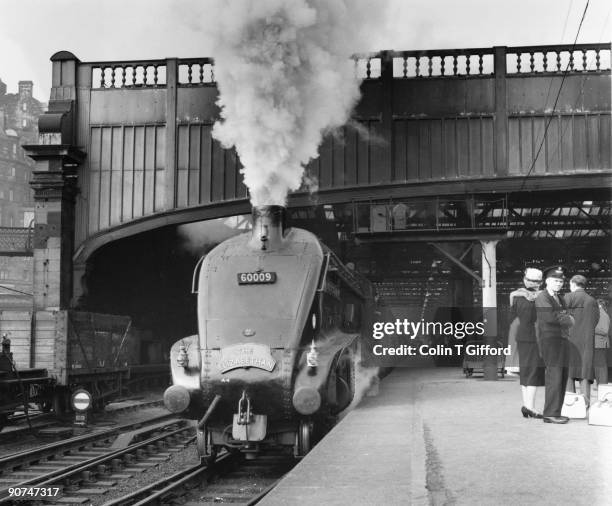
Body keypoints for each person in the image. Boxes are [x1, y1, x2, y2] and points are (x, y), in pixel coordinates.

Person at [535, 266, 574, 424]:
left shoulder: (560, 298)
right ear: (547, 281)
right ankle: (550, 413)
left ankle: (556, 412)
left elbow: (565, 315)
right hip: (551, 342)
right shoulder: (542, 297)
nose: (559, 283)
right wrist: (566, 318)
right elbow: (550, 318)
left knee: (562, 376)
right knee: (554, 376)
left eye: (561, 281)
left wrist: (564, 317)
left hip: (562, 340)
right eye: (555, 281)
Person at [510, 268, 545, 418]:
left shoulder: (515, 296)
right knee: (533, 372)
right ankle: (530, 407)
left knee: (525, 371)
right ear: (540, 282)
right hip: (536, 338)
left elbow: (512, 318)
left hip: (521, 337)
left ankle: (526, 405)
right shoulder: (543, 297)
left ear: (525, 279)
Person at [564, 275, 599, 406]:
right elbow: (595, 320)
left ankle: (570, 404)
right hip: (586, 342)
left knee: (569, 372)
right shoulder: (592, 300)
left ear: (573, 284)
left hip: (569, 340)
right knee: (585, 372)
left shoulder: (567, 298)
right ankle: (585, 404)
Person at [593, 299, 610, 385]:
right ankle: (600, 384)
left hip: (600, 344)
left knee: (601, 366)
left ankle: (602, 385)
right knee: (598, 366)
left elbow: (604, 330)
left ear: (599, 305)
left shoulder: (602, 315)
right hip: (598, 344)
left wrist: (591, 328)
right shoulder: (599, 314)